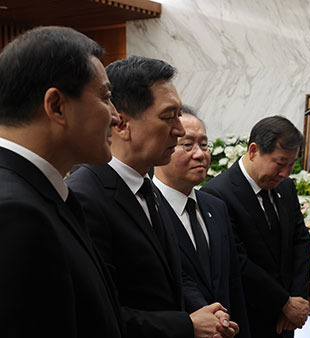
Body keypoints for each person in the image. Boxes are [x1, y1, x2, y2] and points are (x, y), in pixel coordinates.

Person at [66, 56, 238, 338]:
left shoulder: (147, 188)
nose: (180, 129)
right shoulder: (86, 195)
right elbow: (96, 313)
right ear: (121, 124)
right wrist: (187, 326)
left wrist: (206, 313)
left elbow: (169, 279)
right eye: (168, 116)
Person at [0, 26, 124, 337]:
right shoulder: (15, 212)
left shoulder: (39, 192)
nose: (116, 116)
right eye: (106, 97)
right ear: (56, 106)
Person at [202, 116, 310, 338]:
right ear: (253, 151)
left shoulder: (286, 188)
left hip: (286, 321)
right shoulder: (217, 194)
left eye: (291, 164)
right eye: (280, 163)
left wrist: (296, 302)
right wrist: (282, 302)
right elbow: (238, 260)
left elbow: (301, 241)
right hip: (248, 319)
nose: (285, 173)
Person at [153, 106, 251, 337]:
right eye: (187, 145)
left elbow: (233, 284)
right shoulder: (146, 209)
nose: (200, 154)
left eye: (204, 145)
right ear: (163, 147)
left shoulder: (216, 206)